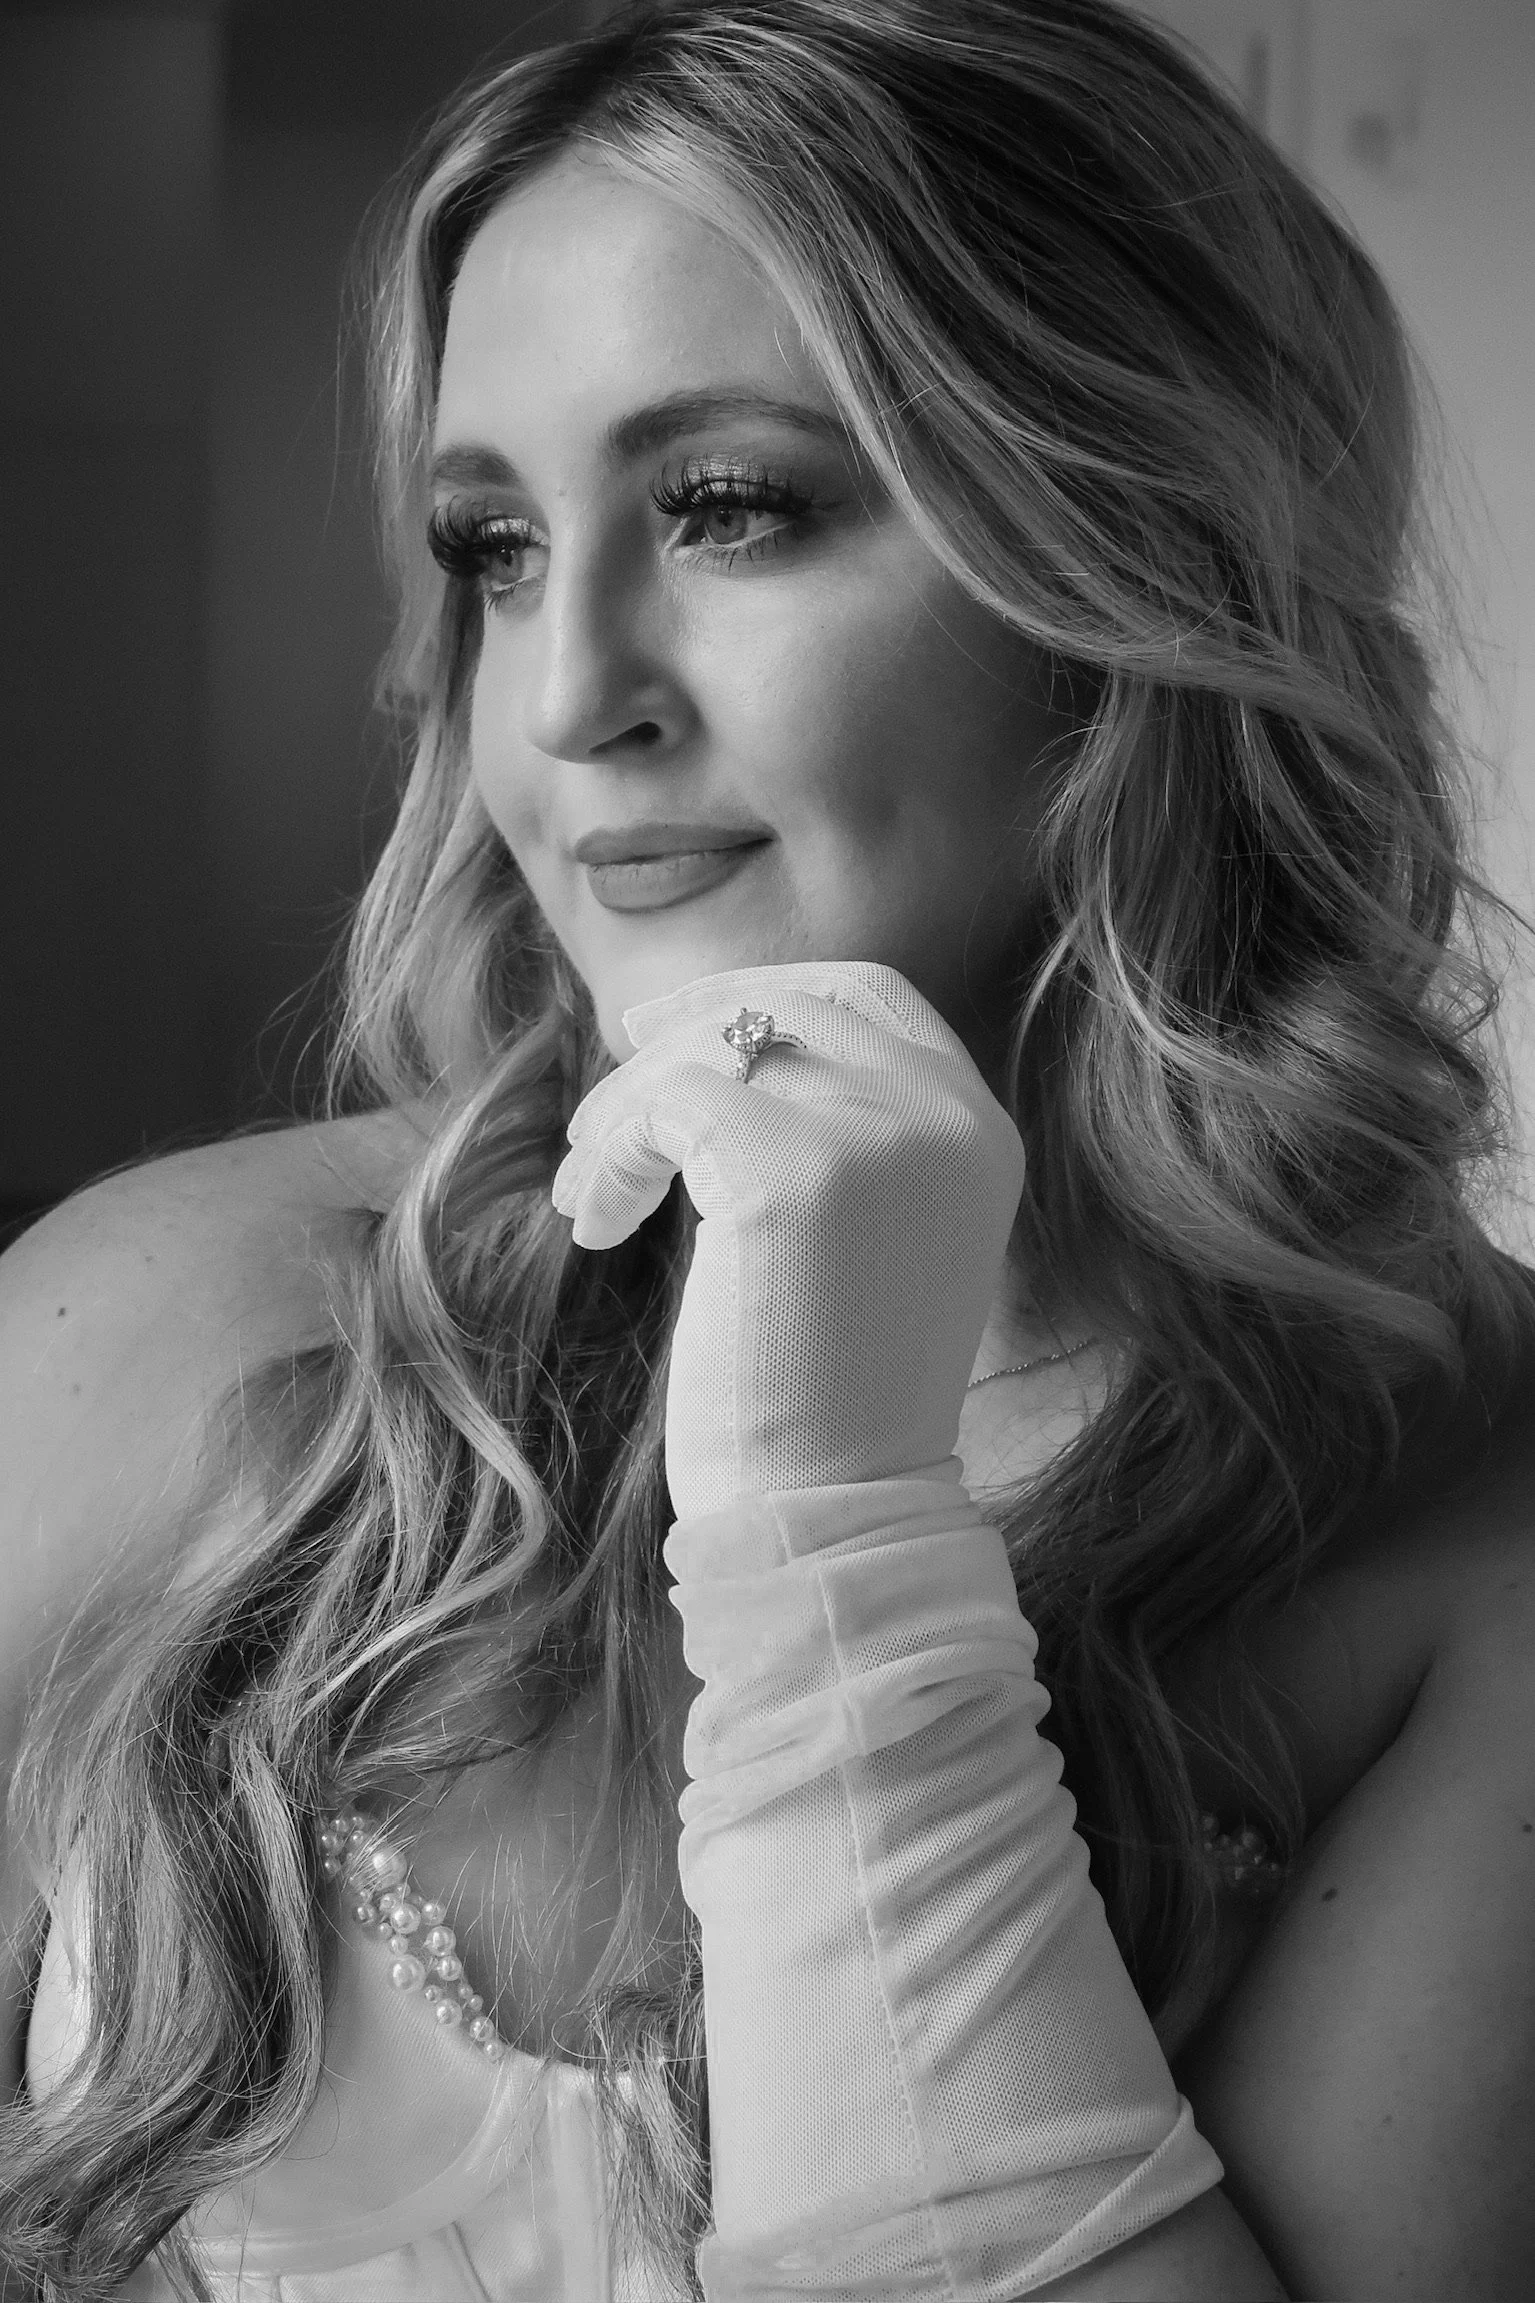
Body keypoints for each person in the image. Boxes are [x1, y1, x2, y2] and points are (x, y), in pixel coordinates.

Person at [2, 0, 1532, 2293]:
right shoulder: (156, 1329)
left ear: (1136, 557)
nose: (558, 696)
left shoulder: (1472, 1524)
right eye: (494, 541)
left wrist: (826, 1518)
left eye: (728, 506)